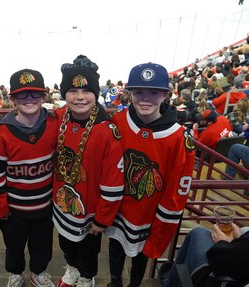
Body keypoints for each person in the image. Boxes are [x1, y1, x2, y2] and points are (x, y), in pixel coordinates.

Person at [105, 62, 196, 287]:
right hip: (117, 210)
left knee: (140, 258)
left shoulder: (179, 139)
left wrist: (161, 228)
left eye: (153, 92)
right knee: (115, 250)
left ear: (165, 94)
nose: (145, 98)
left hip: (148, 217)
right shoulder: (117, 121)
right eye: (139, 92)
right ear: (130, 94)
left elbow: (176, 191)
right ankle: (115, 283)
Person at [53, 55, 124, 287]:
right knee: (66, 243)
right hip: (62, 204)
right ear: (64, 94)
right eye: (73, 91)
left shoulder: (107, 130)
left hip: (90, 212)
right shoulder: (59, 117)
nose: (80, 97)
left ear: (96, 93)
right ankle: (72, 268)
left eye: (86, 91)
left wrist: (102, 219)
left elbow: (113, 182)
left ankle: (86, 277)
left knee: (88, 250)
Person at [0, 69, 58, 287]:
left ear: (44, 95)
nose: (29, 99)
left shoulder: (55, 123)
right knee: (14, 246)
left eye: (35, 94)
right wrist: (1, 207)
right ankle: (15, 273)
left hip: (44, 205)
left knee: (42, 245)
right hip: (14, 209)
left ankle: (38, 272)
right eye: (22, 94)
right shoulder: (3, 131)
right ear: (13, 98)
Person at [159, 225, 249, 287]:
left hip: (218, 281)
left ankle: (171, 283)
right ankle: (174, 280)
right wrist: (242, 238)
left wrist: (222, 243)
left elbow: (221, 262)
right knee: (244, 230)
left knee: (198, 233)